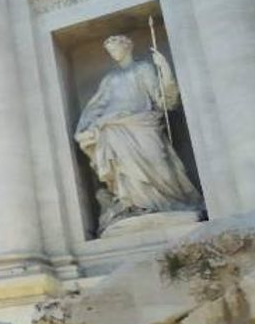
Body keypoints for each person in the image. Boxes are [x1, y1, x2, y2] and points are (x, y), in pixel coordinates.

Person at [75, 34, 201, 229]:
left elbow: (162, 99)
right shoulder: (110, 79)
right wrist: (88, 126)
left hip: (144, 123)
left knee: (160, 165)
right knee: (124, 169)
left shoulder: (143, 69)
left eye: (116, 48)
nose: (113, 53)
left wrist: (165, 69)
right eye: (110, 51)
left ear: (128, 47)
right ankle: (134, 204)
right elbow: (98, 105)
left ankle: (170, 202)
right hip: (113, 127)